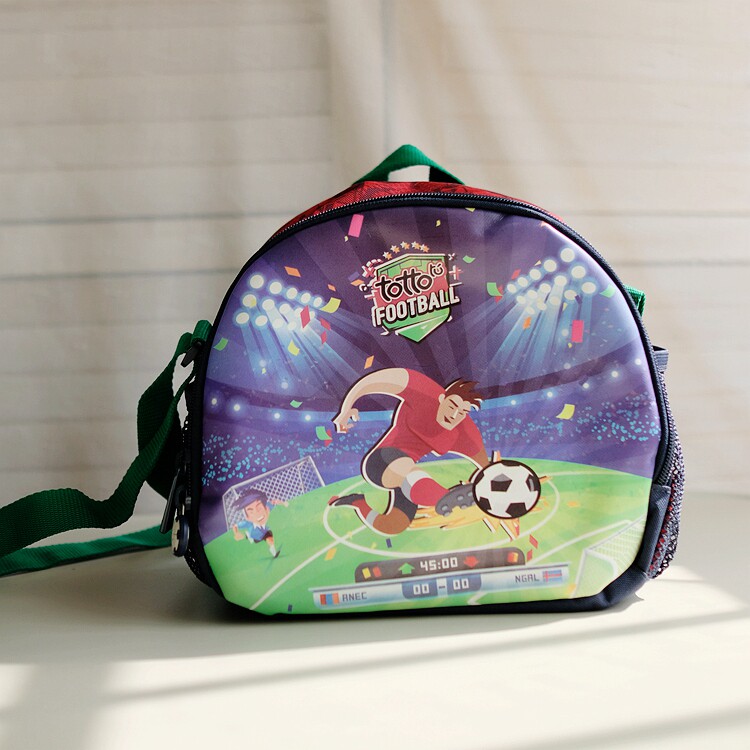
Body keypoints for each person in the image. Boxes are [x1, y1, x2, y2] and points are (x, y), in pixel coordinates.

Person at [329, 367, 491, 535]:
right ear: (442, 398)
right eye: (452, 406)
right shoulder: (424, 392)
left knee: (392, 525)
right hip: (382, 460)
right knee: (411, 473)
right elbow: (373, 380)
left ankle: (357, 502)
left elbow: (487, 469)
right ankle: (446, 498)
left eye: (462, 412)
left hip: (407, 474)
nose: (454, 415)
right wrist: (346, 409)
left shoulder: (464, 431)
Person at [232, 489, 286, 558]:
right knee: (254, 538)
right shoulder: (248, 523)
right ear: (248, 517)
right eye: (251, 512)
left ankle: (274, 552)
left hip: (265, 531)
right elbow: (235, 526)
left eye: (259, 508)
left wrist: (284, 503)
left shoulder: (267, 507)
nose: (257, 513)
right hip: (255, 535)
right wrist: (236, 533)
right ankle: (248, 536)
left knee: (270, 539)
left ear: (266, 509)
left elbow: (273, 502)